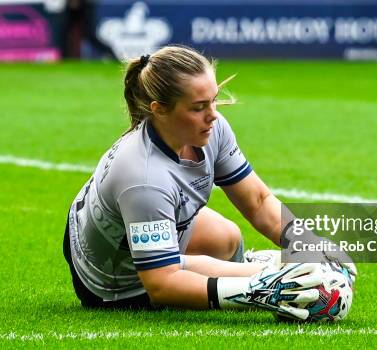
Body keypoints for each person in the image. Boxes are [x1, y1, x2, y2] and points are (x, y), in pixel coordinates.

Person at [62, 45, 327, 319]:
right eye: (199, 107)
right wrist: (262, 286)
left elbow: (258, 202)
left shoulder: (212, 128)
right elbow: (162, 285)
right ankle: (261, 269)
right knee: (222, 272)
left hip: (119, 231)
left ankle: (260, 268)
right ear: (160, 110)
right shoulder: (144, 180)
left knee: (227, 238)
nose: (213, 114)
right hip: (111, 278)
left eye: (213, 100)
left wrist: (313, 247)